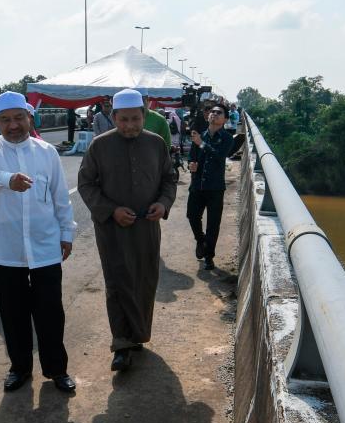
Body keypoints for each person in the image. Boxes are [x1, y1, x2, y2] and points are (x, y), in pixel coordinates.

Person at [0, 91, 77, 393]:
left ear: (29, 118)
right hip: (4, 249)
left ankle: (57, 370)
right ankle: (19, 368)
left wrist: (66, 233)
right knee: (12, 313)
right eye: (6, 120)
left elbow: (60, 197)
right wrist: (8, 180)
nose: (13, 125)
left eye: (19, 118)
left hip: (44, 246)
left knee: (50, 312)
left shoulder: (46, 152)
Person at [77, 88, 176, 373]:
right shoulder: (99, 145)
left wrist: (162, 203)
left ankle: (138, 336)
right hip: (112, 229)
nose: (130, 126)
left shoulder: (156, 144)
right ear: (114, 117)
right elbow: (86, 184)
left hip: (147, 226)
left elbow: (169, 179)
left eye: (135, 119)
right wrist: (111, 211)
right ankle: (121, 344)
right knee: (117, 282)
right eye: (123, 120)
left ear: (144, 115)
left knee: (144, 279)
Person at [187, 105, 234, 270]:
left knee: (213, 223)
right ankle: (201, 241)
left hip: (215, 187)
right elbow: (192, 156)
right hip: (197, 184)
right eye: (212, 112)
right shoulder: (199, 136)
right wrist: (191, 164)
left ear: (225, 119)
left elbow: (220, 157)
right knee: (192, 216)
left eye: (219, 113)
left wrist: (201, 144)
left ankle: (209, 256)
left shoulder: (228, 138)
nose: (214, 114)